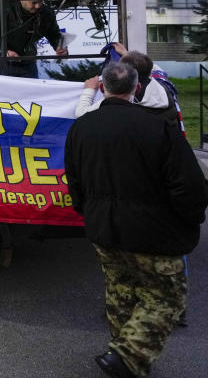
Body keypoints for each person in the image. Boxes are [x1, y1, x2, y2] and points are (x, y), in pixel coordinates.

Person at [64, 62, 207, 378]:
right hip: (155, 232)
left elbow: (73, 180)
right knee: (165, 297)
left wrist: (88, 213)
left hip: (104, 229)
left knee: (120, 292)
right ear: (136, 88)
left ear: (103, 87)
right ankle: (127, 357)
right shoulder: (159, 129)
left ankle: (128, 359)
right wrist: (191, 218)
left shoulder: (82, 128)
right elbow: (190, 185)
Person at [0, 0, 68, 78]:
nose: (38, 6)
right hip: (2, 62)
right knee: (1, 92)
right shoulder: (2, 10)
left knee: (31, 92)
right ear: (22, 0)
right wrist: (4, 51)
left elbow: (54, 34)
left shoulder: (46, 13)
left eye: (41, 2)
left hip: (28, 62)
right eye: (34, 2)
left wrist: (60, 47)